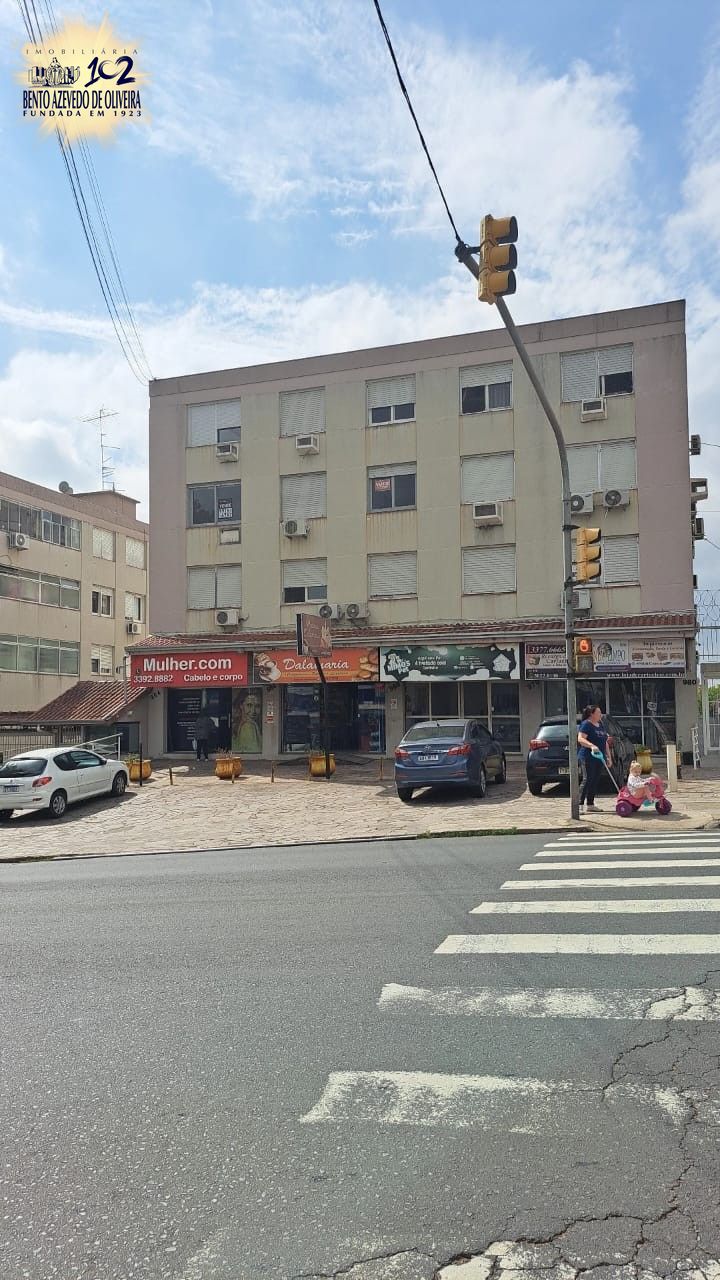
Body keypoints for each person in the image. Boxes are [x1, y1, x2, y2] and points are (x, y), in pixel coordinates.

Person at [577, 704, 613, 812]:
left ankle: (590, 804)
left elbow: (605, 742)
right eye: (598, 712)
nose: (600, 714)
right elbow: (580, 739)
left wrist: (608, 757)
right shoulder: (586, 724)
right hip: (588, 757)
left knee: (595, 780)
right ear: (591, 714)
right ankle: (579, 805)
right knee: (587, 779)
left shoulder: (600, 724)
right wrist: (592, 745)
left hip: (599, 757)